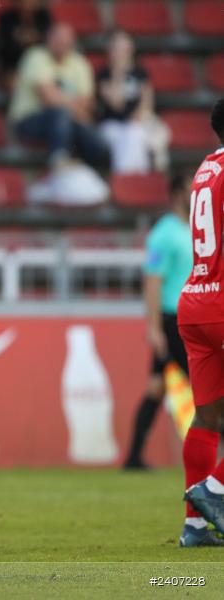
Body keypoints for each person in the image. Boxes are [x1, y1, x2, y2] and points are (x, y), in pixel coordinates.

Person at [122, 175, 192, 471]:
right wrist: (153, 327)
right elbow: (152, 281)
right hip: (171, 320)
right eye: (191, 188)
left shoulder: (197, 228)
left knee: (156, 387)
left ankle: (133, 458)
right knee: (207, 386)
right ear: (178, 194)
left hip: (188, 316)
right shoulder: (164, 234)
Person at [178, 97, 224, 548]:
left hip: (195, 299)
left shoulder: (206, 167)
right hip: (223, 303)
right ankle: (214, 493)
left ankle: (194, 526)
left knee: (208, 416)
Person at [9, 22, 108, 171]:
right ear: (49, 39)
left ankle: (93, 176)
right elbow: (48, 98)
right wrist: (74, 106)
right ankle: (59, 160)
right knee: (60, 114)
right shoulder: (35, 56)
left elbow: (87, 101)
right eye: (58, 41)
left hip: (70, 120)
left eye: (66, 42)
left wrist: (67, 103)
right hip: (29, 120)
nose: (62, 45)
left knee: (97, 143)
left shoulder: (79, 62)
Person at [96, 30, 167, 174]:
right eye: (117, 48)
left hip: (135, 123)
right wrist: (118, 73)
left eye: (124, 48)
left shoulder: (140, 72)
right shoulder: (104, 73)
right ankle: (129, 181)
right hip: (111, 124)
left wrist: (137, 116)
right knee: (127, 137)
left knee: (135, 133)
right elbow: (115, 103)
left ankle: (129, 180)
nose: (121, 53)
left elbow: (147, 101)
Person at [0, 0, 52, 90]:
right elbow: (8, 44)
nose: (29, 3)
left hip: (41, 64)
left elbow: (48, 38)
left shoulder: (44, 15)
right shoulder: (6, 16)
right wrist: (33, 37)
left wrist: (26, 37)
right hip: (15, 64)